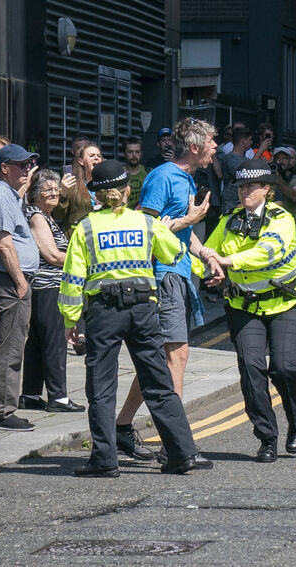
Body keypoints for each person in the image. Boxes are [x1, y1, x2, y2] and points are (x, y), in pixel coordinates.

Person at [58, 159, 210, 477]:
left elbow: (72, 278)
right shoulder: (146, 223)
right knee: (158, 383)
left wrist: (71, 320)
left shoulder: (85, 229)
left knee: (101, 388)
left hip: (104, 312)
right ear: (127, 192)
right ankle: (182, 454)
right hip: (143, 309)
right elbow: (173, 253)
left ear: (96, 195)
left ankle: (105, 460)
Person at [113, 118, 215, 463]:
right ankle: (175, 444)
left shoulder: (185, 178)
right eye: (213, 142)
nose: (217, 147)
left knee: (158, 361)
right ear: (196, 147)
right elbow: (145, 225)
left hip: (179, 272)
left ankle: (122, 428)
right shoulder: (163, 176)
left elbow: (177, 231)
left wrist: (203, 252)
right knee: (176, 356)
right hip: (161, 275)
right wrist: (189, 220)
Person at [199, 158, 296, 463]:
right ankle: (267, 438)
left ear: (267, 189)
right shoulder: (230, 219)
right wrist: (209, 265)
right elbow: (209, 249)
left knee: (285, 369)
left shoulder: (282, 219)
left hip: (284, 303)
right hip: (243, 306)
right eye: (240, 186)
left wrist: (227, 261)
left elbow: (268, 251)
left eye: (250, 186)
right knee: (251, 372)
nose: (244, 191)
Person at [0, 144, 41, 431]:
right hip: (8, 281)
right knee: (10, 349)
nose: (27, 169)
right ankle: (1, 412)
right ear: (4, 168)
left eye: (29, 164)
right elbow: (5, 244)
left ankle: (2, 408)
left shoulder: (9, 195)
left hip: (7, 281)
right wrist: (20, 282)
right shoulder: (1, 197)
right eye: (21, 164)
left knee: (9, 346)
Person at [19, 169, 83, 414]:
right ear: (35, 194)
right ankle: (58, 397)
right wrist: (82, 261)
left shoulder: (44, 215)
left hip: (43, 287)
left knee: (36, 342)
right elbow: (52, 255)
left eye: (56, 189)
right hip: (48, 287)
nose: (54, 192)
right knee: (55, 341)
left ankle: (31, 395)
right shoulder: (37, 216)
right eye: (47, 189)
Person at [271, 147, 296, 282]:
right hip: (270, 227)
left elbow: (294, 196)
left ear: (290, 161)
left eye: (284, 158)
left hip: (291, 227)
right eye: (278, 158)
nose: (280, 161)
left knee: (295, 262)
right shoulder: (266, 178)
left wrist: (279, 181)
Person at [55, 140, 104, 231]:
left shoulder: (106, 184)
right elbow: (58, 215)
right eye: (91, 156)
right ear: (81, 161)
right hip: (79, 238)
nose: (96, 158)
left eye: (99, 156)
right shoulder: (72, 185)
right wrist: (63, 193)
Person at [218, 125, 252, 214]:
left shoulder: (247, 160)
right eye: (250, 140)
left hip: (244, 203)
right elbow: (247, 174)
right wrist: (261, 150)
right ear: (243, 141)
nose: (251, 142)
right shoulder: (229, 158)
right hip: (230, 205)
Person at [122, 136, 148, 210]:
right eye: (130, 152)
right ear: (124, 153)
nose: (134, 155)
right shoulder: (118, 174)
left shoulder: (148, 172)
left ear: (141, 153)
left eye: (137, 152)